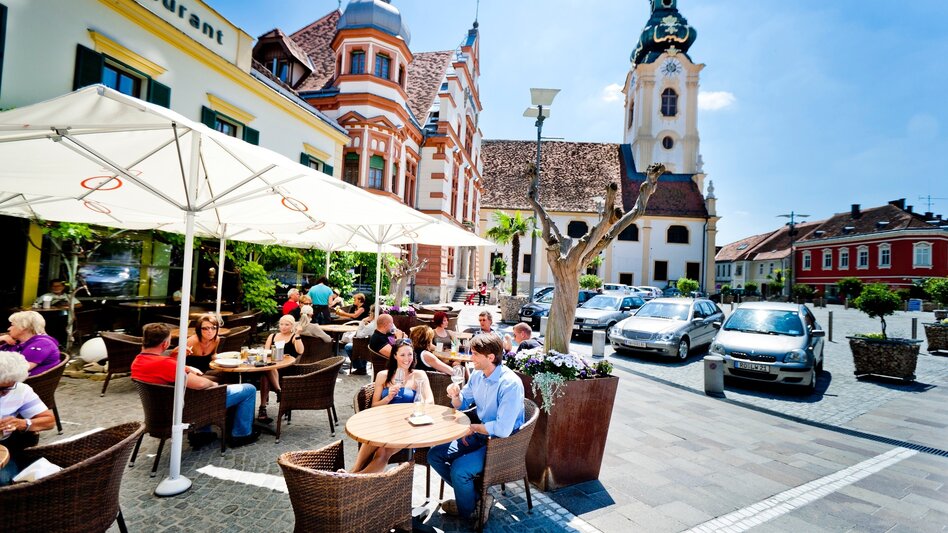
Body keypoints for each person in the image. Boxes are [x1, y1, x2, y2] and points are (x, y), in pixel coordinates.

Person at [429, 333, 525, 524]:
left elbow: (503, 429)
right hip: (480, 435)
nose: (470, 357)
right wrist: (455, 395)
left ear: (490, 358)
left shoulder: (510, 384)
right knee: (434, 455)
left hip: (502, 443)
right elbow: (462, 403)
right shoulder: (478, 375)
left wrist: (473, 427)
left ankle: (469, 511)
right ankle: (474, 499)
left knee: (459, 470)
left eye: (474, 354)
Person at [130, 323, 259, 447]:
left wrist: (186, 367)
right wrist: (214, 384)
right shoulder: (167, 364)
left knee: (212, 380)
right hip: (187, 409)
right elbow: (200, 384)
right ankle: (241, 434)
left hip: (161, 411)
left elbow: (164, 370)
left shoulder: (137, 361)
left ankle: (204, 432)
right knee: (248, 389)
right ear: (165, 344)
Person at [350, 339, 433, 473]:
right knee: (373, 436)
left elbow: (430, 402)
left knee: (382, 452)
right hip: (384, 422)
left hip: (407, 425)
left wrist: (419, 401)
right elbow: (374, 406)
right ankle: (354, 472)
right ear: (395, 356)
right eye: (402, 355)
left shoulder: (419, 375)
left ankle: (351, 478)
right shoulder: (383, 376)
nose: (407, 359)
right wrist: (388, 397)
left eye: (410, 354)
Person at [0, 352, 56, 485]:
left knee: (3, 480)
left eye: (6, 388)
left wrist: (22, 423)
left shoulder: (21, 390)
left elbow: (49, 421)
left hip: (5, 449)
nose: (2, 393)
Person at [260, 315, 304, 420]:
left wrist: (297, 335)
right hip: (272, 367)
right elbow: (266, 352)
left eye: (287, 325)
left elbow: (300, 351)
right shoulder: (273, 336)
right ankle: (278, 392)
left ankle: (262, 408)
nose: (283, 327)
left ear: (292, 326)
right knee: (265, 375)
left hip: (287, 369)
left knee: (266, 373)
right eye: (281, 324)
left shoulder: (293, 337)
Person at [0, 311, 61, 376]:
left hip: (26, 383)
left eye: (12, 325)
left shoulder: (42, 344)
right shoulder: (17, 342)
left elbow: (17, 370)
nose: (9, 328)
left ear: (23, 327)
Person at [343, 304, 376, 375]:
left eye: (370, 313)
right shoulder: (380, 322)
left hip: (370, 349)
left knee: (348, 347)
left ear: (373, 314)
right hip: (373, 345)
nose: (369, 314)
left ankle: (360, 368)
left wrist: (362, 322)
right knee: (362, 345)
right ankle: (362, 367)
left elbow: (359, 335)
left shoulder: (372, 325)